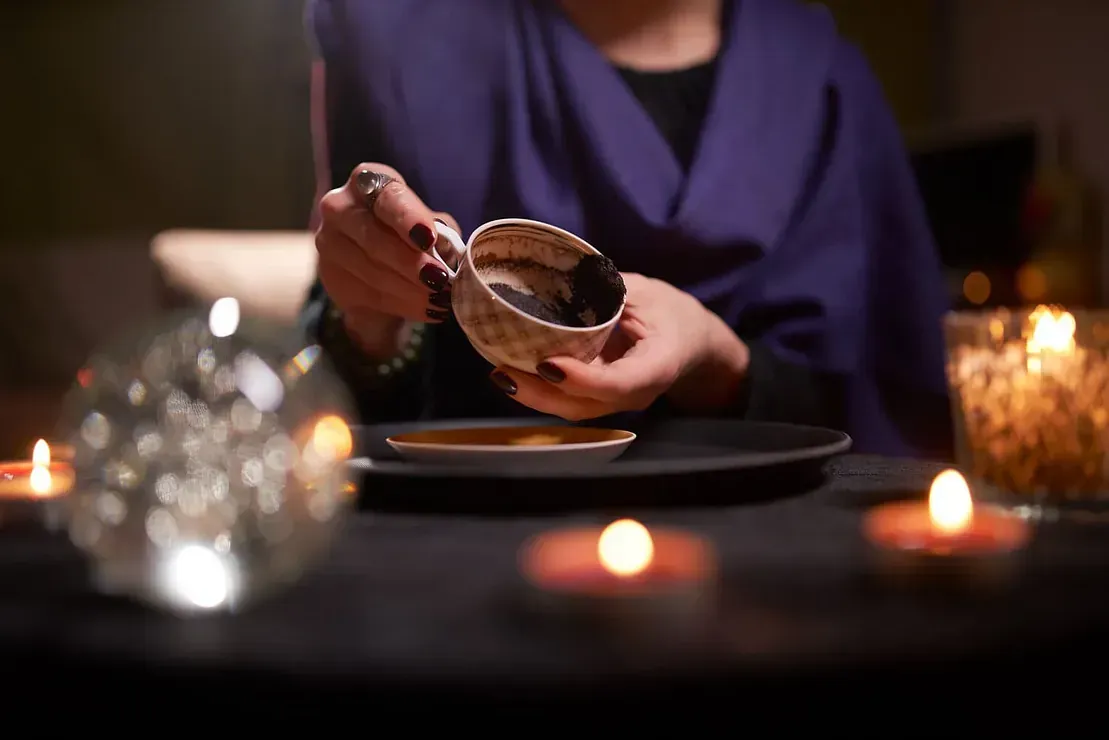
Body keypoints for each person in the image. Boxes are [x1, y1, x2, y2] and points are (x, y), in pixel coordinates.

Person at [301, 0, 954, 459]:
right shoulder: (394, 40)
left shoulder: (825, 83)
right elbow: (337, 400)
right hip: (460, 532)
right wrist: (372, 322)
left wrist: (714, 360)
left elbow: (888, 412)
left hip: (766, 550)